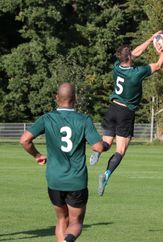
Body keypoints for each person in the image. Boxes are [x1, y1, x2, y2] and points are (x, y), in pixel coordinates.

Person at [19, 82, 105, 242]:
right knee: (76, 223)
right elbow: (98, 147)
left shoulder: (47, 118)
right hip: (76, 181)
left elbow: (24, 140)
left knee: (61, 220)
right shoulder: (83, 119)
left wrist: (37, 156)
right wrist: (106, 144)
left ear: (56, 98)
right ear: (75, 99)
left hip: (54, 179)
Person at [89, 31, 163, 196]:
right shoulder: (136, 73)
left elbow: (135, 53)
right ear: (130, 58)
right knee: (120, 150)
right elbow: (159, 64)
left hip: (112, 109)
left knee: (106, 143)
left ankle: (97, 150)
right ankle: (106, 175)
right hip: (125, 113)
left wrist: (150, 38)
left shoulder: (116, 66)